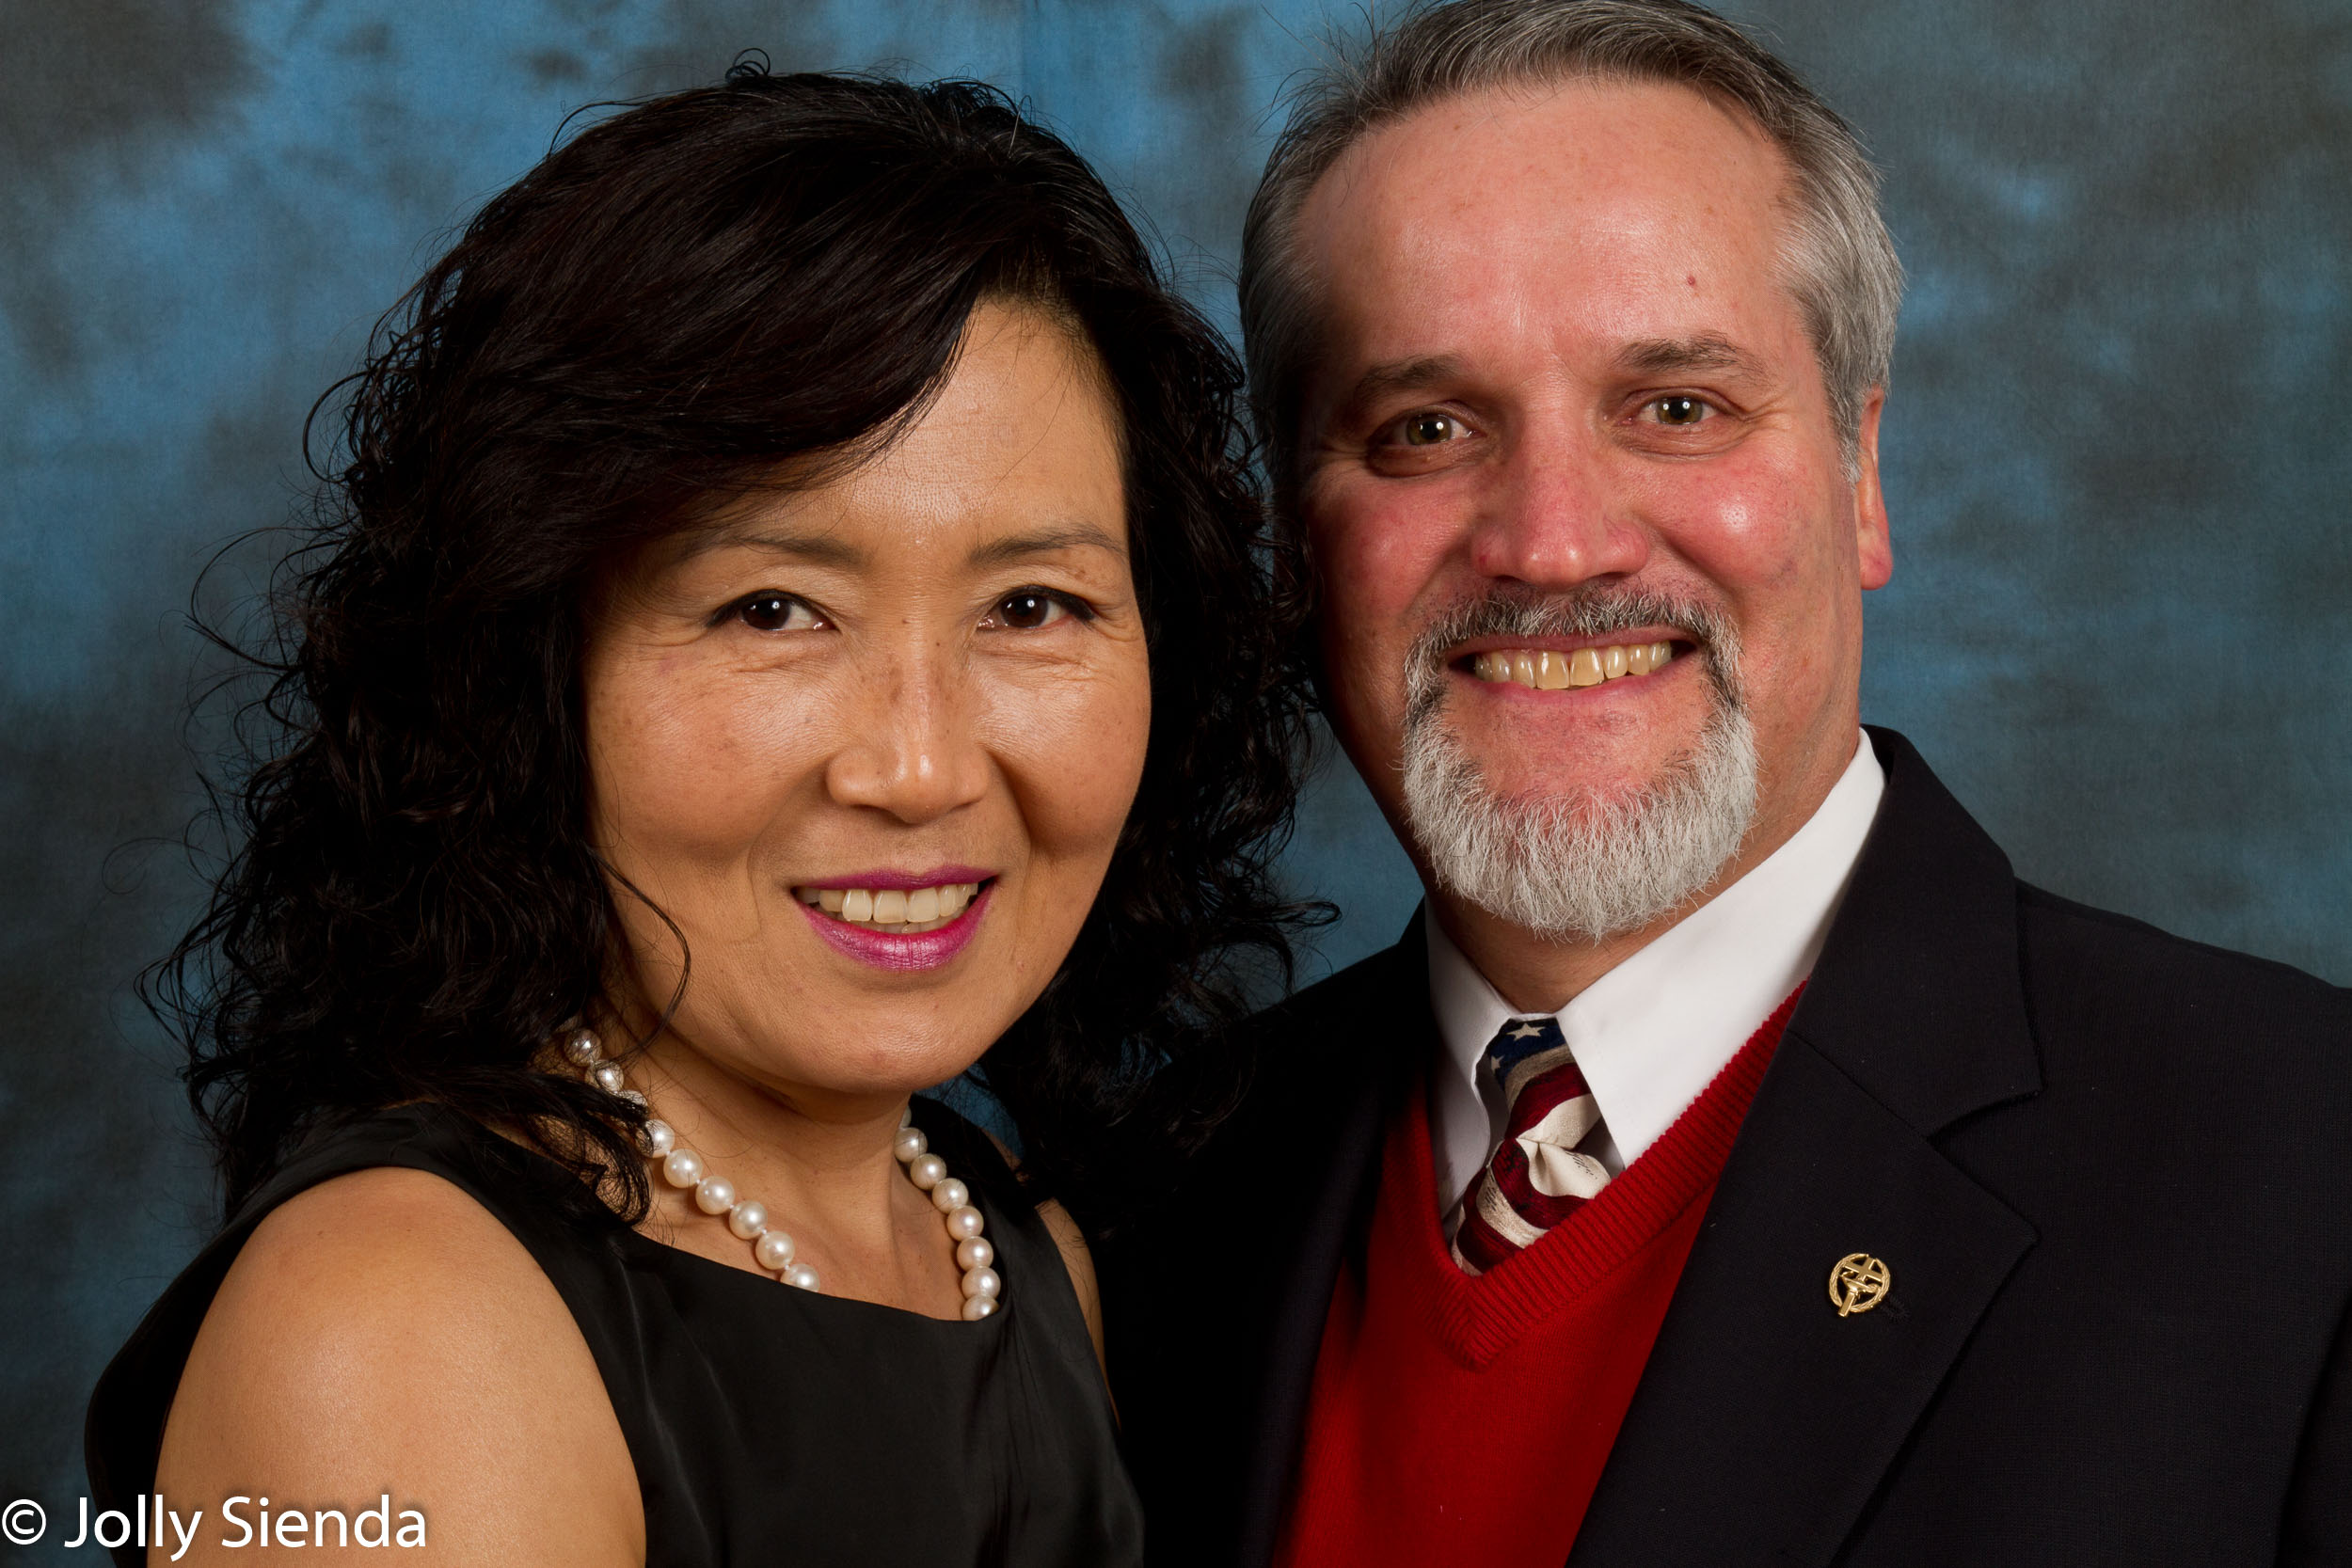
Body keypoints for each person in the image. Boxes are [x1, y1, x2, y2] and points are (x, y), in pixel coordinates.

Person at [1101, 2, 2352, 1563]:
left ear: (1861, 473)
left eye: (1676, 408)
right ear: (1299, 550)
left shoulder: (2304, 1175)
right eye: (1425, 429)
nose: (1555, 543)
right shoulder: (1148, 1204)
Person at [86, 66, 1313, 1567]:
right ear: (535, 671)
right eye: (774, 608)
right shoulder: (397, 1318)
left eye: (1033, 605)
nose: (920, 768)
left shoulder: (1022, 1256)